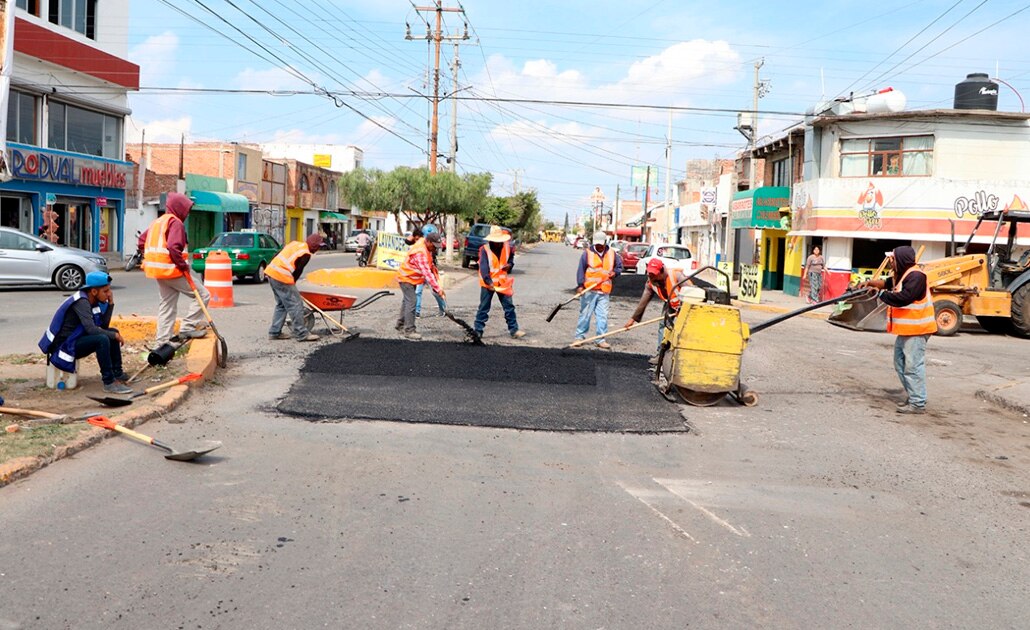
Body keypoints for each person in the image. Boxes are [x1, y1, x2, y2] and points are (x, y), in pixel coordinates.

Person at [859, 245, 937, 414]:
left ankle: (917, 403)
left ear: (900, 259)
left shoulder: (916, 276)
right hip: (908, 330)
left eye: (892, 259)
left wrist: (879, 294)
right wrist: (871, 283)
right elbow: (887, 283)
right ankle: (914, 395)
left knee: (913, 366)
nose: (891, 262)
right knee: (900, 363)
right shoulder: (903, 275)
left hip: (918, 329)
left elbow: (904, 298)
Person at [38, 271, 132, 394]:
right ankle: (109, 382)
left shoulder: (93, 300)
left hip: (75, 340)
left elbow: (103, 326)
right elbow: (91, 329)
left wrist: (110, 304)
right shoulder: (82, 302)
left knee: (112, 332)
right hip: (65, 346)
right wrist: (114, 335)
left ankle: (117, 373)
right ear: (94, 291)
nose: (109, 294)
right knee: (102, 339)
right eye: (105, 291)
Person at [138, 192, 211, 346]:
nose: (187, 212)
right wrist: (182, 264)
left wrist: (150, 256)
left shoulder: (158, 222)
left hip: (158, 271)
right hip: (173, 270)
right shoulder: (175, 222)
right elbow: (173, 247)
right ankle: (188, 327)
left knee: (167, 305)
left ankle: (162, 341)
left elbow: (141, 241)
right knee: (203, 295)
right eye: (186, 209)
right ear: (180, 208)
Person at [624, 259, 692, 365]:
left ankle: (683, 356)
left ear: (661, 271)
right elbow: (644, 300)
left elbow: (692, 291)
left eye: (654, 275)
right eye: (650, 274)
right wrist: (633, 318)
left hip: (686, 306)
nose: (651, 277)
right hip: (670, 305)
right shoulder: (651, 282)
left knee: (683, 330)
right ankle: (661, 355)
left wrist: (683, 307)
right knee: (663, 326)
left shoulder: (676, 276)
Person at [265, 233, 324, 342]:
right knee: (296, 304)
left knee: (282, 305)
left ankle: (274, 332)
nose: (318, 249)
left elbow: (277, 254)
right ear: (314, 245)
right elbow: (298, 271)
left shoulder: (295, 244)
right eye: (318, 246)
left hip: (271, 273)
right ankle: (301, 333)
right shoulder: (305, 254)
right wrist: (292, 284)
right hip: (281, 277)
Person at [474, 225, 526, 340]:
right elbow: (483, 268)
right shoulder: (484, 250)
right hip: (488, 284)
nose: (498, 243)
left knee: (509, 307)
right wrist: (489, 282)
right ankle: (478, 331)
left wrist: (510, 265)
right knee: (484, 307)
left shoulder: (507, 247)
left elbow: (511, 258)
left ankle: (514, 330)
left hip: (502, 283)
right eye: (496, 241)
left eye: (500, 241)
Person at [574, 230, 622, 349]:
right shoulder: (587, 254)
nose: (599, 246)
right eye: (597, 244)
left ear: (605, 242)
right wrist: (580, 285)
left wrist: (614, 273)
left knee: (603, 316)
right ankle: (579, 337)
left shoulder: (612, 254)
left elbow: (619, 267)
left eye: (601, 244)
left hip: (604, 291)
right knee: (585, 314)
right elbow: (581, 269)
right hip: (589, 290)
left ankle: (600, 339)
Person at [396, 230, 445, 340]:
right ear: (428, 241)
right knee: (412, 301)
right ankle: (409, 330)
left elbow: (430, 266)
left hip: (411, 278)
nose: (435, 248)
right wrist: (437, 289)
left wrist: (436, 276)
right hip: (406, 278)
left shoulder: (424, 243)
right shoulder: (420, 253)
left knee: (407, 301)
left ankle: (400, 324)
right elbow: (426, 273)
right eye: (434, 245)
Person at [415, 224, 447, 318]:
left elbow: (432, 261)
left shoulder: (432, 248)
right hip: (421, 272)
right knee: (418, 291)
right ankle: (417, 311)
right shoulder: (421, 247)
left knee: (436, 292)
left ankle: (444, 309)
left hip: (429, 271)